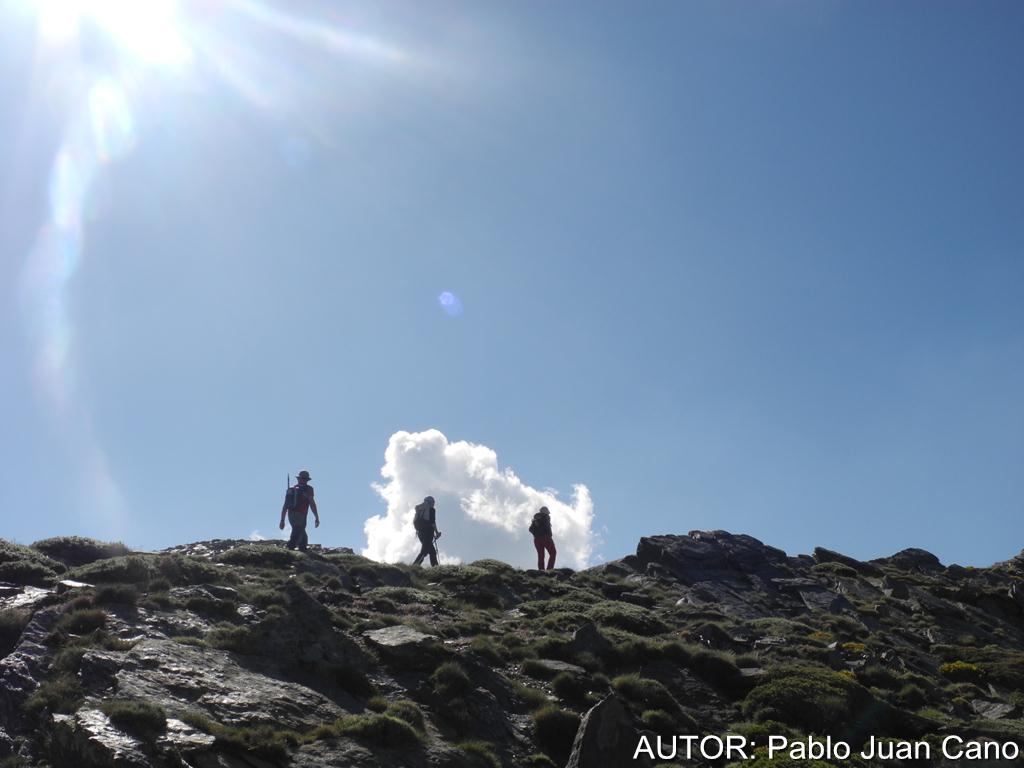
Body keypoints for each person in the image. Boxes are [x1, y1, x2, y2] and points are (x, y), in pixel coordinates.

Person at [280, 470, 319, 552]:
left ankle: (302, 548)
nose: (303, 480)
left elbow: (285, 505)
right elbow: (312, 503)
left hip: (292, 514)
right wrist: (316, 517)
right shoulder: (309, 489)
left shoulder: (291, 489)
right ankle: (291, 547)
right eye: (303, 478)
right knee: (298, 529)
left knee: (299, 530)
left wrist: (282, 520)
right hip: (301, 513)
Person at [412, 495, 441, 566]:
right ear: (431, 502)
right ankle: (415, 566)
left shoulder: (420, 509)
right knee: (424, 551)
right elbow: (432, 522)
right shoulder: (431, 509)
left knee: (432, 551)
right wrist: (437, 533)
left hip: (420, 532)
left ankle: (435, 568)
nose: (434, 504)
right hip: (428, 532)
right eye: (433, 502)